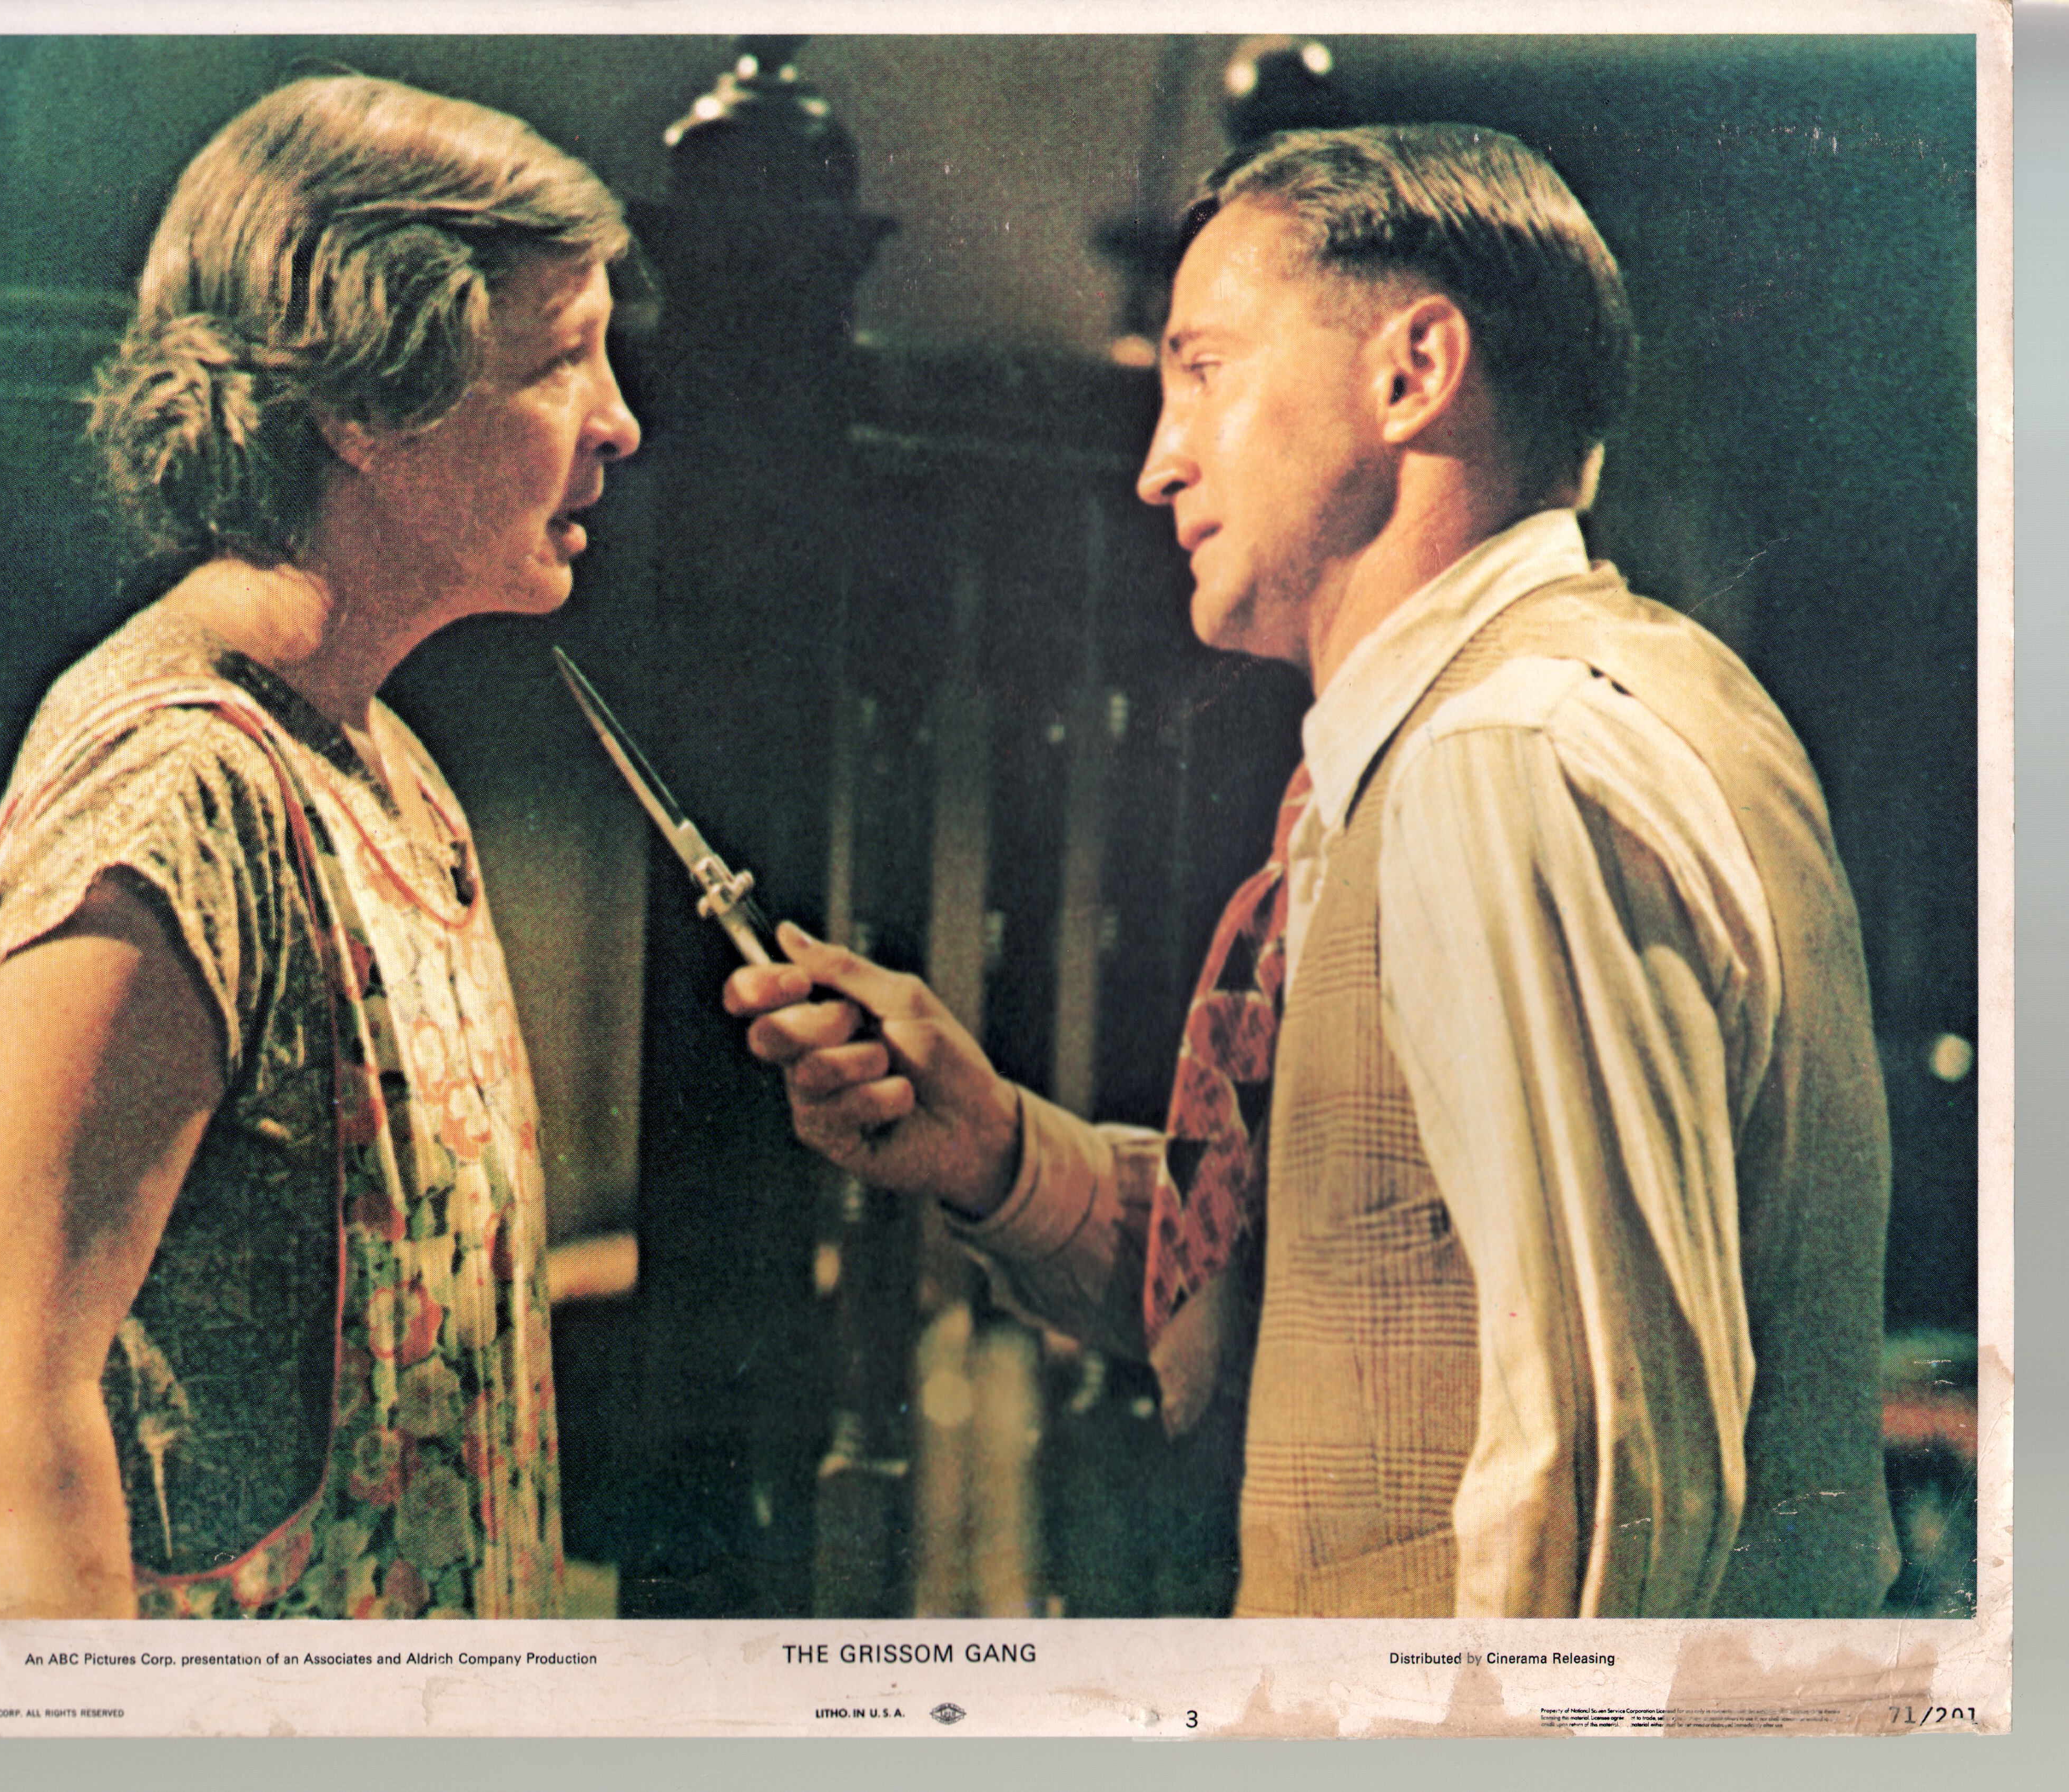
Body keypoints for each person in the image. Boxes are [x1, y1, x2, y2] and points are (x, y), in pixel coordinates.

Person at [727, 124, 1900, 1618]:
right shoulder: (1603, 696)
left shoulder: (1502, 755)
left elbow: (1606, 1477)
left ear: (1414, 373)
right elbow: (1365, 1271)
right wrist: (999, 1153)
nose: (1158, 461)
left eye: (1206, 370)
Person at [0, 74, 641, 1620]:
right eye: (562, 360)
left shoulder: (382, 763)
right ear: (365, 402)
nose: (617, 421)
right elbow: (2, 1380)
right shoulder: (173, 794)